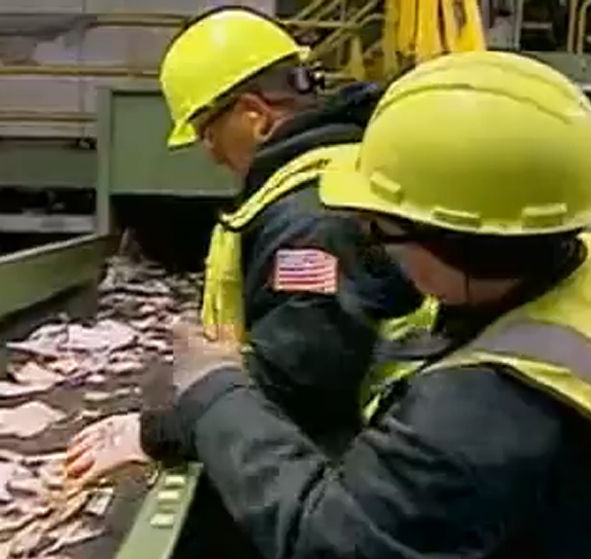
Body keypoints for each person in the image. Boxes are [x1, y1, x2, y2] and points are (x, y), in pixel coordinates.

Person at [72, 51, 591, 559]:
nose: (369, 243)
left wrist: (213, 390)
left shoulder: (489, 409)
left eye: (381, 230)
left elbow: (328, 541)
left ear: (449, 247)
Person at [156, 6, 424, 441]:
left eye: (208, 132)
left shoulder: (311, 218)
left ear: (255, 115)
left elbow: (300, 383)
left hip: (360, 456)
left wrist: (160, 432)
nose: (211, 153)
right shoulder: (334, 176)